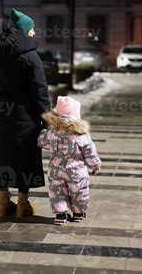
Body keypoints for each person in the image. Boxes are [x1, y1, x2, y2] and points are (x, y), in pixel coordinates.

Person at [0, 8, 51, 218]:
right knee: (25, 157)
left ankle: (3, 202)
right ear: (24, 30)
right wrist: (47, 116)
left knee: (4, 155)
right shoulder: (31, 57)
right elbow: (39, 90)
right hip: (27, 117)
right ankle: (23, 204)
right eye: (31, 29)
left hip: (5, 115)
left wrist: (1, 106)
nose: (33, 32)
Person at [38, 96, 102, 225]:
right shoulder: (81, 133)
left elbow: (42, 142)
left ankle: (61, 215)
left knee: (57, 191)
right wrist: (95, 165)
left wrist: (43, 132)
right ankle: (78, 213)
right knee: (79, 190)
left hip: (56, 170)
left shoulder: (52, 131)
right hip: (76, 171)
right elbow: (90, 152)